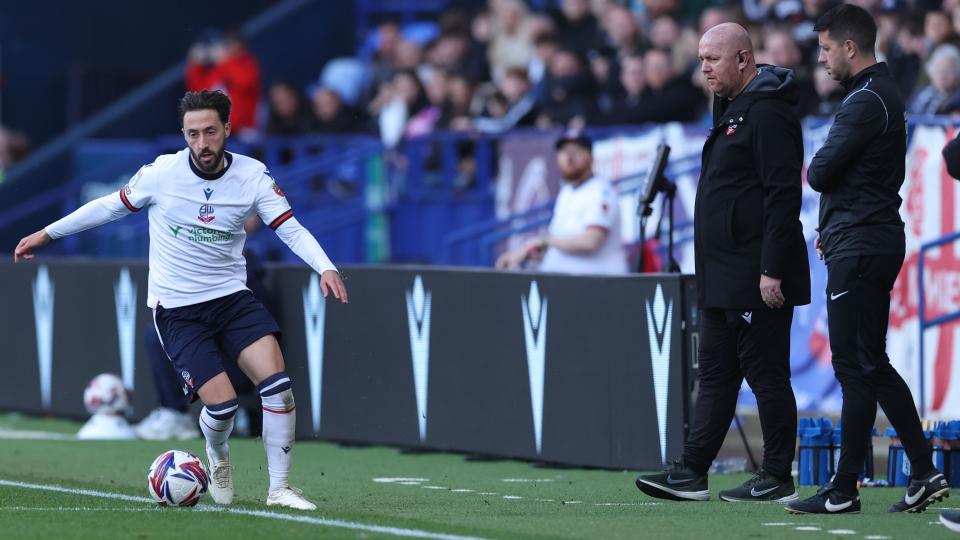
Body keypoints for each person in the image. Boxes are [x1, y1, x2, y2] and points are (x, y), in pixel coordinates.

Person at [13, 89, 348, 511]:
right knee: (222, 407)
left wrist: (325, 266)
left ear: (227, 129)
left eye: (210, 132)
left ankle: (279, 488)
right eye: (193, 134)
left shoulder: (253, 176)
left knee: (278, 388)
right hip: (178, 311)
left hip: (232, 299)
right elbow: (107, 207)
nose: (202, 144)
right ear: (183, 134)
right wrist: (48, 233)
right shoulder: (162, 173)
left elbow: (290, 227)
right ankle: (218, 455)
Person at [785, 4, 949, 515]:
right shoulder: (877, 93)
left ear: (849, 47)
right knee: (870, 363)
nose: (822, 58)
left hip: (861, 243)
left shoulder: (866, 99)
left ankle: (843, 489)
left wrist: (836, 221)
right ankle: (922, 470)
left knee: (856, 366)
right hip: (862, 238)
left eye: (826, 47)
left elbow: (821, 170)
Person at [636, 22, 810, 504]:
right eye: (700, 59)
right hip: (721, 271)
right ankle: (693, 471)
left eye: (713, 58)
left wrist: (772, 268)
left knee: (767, 375)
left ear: (743, 59)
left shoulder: (770, 111)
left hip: (757, 272)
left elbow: (782, 194)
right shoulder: (730, 105)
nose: (705, 68)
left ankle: (776, 474)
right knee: (713, 374)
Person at [495, 131, 627, 275]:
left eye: (576, 151)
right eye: (563, 151)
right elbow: (560, 243)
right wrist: (525, 253)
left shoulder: (601, 192)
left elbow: (591, 241)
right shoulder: (567, 192)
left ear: (590, 156)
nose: (569, 157)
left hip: (599, 284)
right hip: (565, 283)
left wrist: (543, 241)